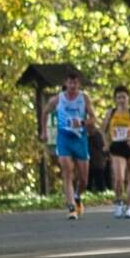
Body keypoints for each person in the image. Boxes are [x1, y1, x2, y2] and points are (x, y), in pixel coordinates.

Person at [40, 70, 92, 219]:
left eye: (75, 82)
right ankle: (71, 207)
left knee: (84, 179)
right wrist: (44, 131)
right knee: (67, 172)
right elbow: (45, 112)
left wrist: (82, 122)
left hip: (80, 139)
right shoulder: (57, 99)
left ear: (79, 84)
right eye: (70, 82)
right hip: (64, 138)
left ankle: (77, 196)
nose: (72, 85)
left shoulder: (84, 98)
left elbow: (93, 119)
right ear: (66, 83)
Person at [104, 86, 130, 219]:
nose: (121, 100)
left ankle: (128, 207)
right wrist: (106, 143)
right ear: (115, 99)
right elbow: (103, 129)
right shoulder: (111, 113)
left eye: (124, 97)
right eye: (118, 97)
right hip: (117, 147)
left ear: (128, 98)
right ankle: (119, 204)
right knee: (119, 178)